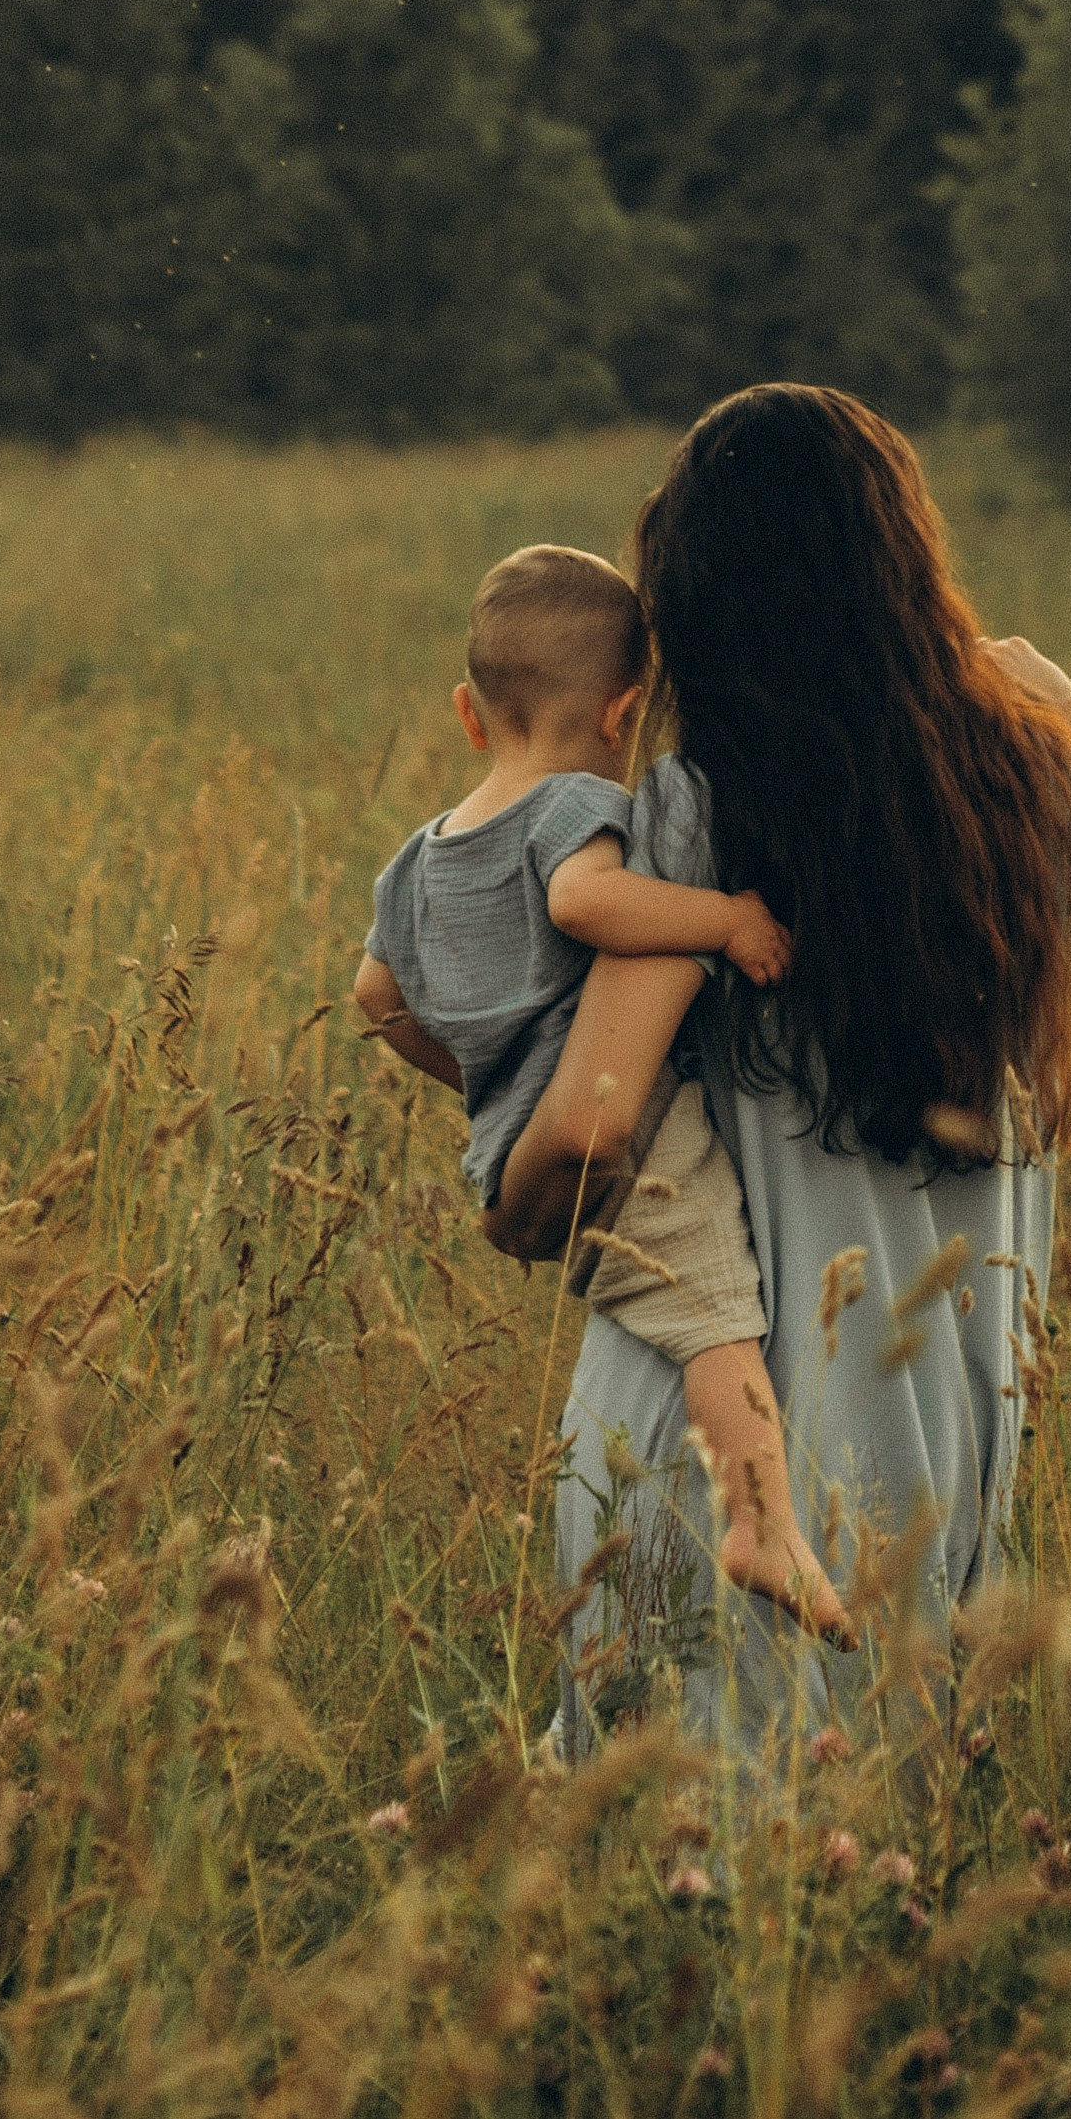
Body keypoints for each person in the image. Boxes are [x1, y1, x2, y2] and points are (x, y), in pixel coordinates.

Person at [479, 387, 1071, 1758]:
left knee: (646, 1851)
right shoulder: (1020, 794)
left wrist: (510, 1205)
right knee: (863, 1837)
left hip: (702, 1454)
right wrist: (1070, 706)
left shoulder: (694, 816)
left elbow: (594, 1124)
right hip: (919, 1461)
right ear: (905, 576)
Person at [354, 542, 852, 1636]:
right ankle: (759, 1522)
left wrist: (481, 1074)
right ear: (625, 712)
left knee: (680, 1318)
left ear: (468, 713)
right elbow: (585, 904)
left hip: (511, 1148)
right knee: (719, 1318)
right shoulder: (575, 805)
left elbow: (374, 995)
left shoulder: (416, 859)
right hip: (634, 1141)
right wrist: (727, 920)